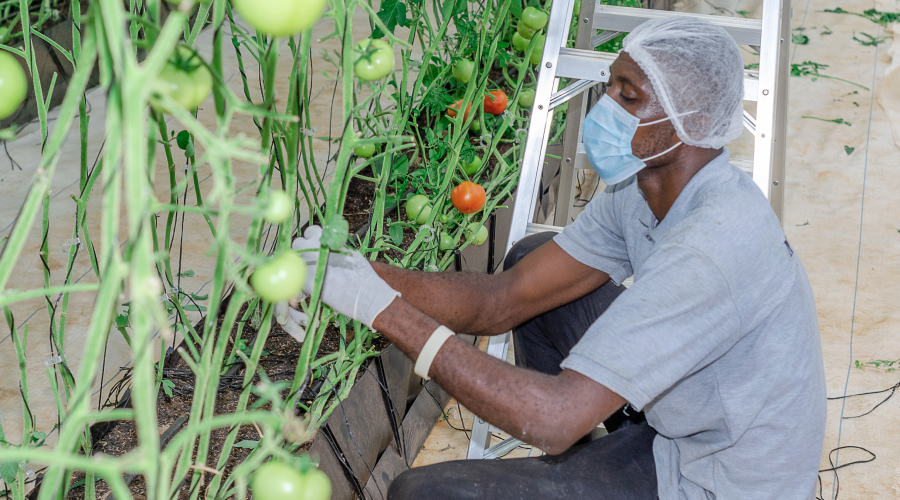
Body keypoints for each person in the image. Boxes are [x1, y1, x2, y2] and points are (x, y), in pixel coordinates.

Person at [279, 16, 827, 500]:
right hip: (682, 428)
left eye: (629, 97)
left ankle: (571, 472)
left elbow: (554, 417)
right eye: (610, 85)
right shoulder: (641, 189)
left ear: (691, 121)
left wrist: (386, 312)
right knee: (535, 263)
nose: (606, 106)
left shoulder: (711, 248)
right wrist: (349, 273)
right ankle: (575, 472)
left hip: (721, 481)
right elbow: (502, 300)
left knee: (422, 493)